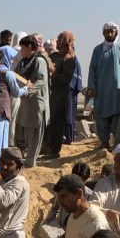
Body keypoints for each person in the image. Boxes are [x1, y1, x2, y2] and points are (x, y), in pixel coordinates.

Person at [14, 35, 50, 167]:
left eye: (22, 48)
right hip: (24, 103)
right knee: (21, 130)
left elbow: (41, 80)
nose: (21, 51)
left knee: (33, 133)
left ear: (29, 47)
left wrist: (28, 91)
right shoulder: (22, 62)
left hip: (36, 102)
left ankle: (30, 162)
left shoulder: (39, 61)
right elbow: (15, 75)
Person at [87, 22, 120, 149]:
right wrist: (92, 86)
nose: (109, 34)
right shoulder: (97, 50)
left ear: (116, 33)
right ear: (103, 33)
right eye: (107, 32)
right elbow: (92, 69)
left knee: (117, 115)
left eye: (111, 32)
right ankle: (104, 141)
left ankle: (117, 143)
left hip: (117, 90)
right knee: (101, 115)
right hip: (101, 89)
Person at [45, 31, 79, 160]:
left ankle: (54, 151)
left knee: (58, 125)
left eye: (60, 39)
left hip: (62, 98)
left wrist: (53, 74)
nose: (58, 42)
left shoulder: (70, 59)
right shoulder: (62, 57)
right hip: (57, 96)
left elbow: (66, 78)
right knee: (54, 124)